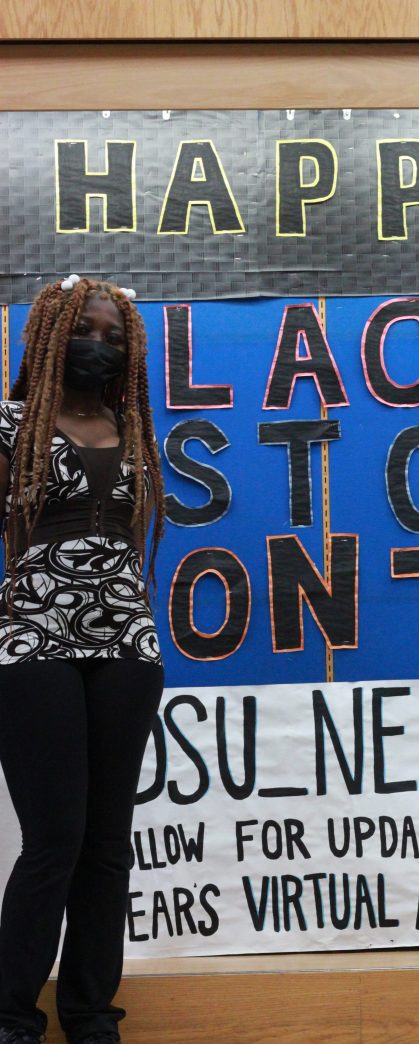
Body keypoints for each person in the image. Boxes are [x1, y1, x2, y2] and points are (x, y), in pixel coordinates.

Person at [0, 276, 166, 1044]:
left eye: (114, 338)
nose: (98, 347)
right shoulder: (10, 426)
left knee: (106, 845)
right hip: (35, 638)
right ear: (51, 333)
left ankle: (93, 1016)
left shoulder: (136, 432)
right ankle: (10, 1017)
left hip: (126, 642)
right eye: (86, 331)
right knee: (53, 840)